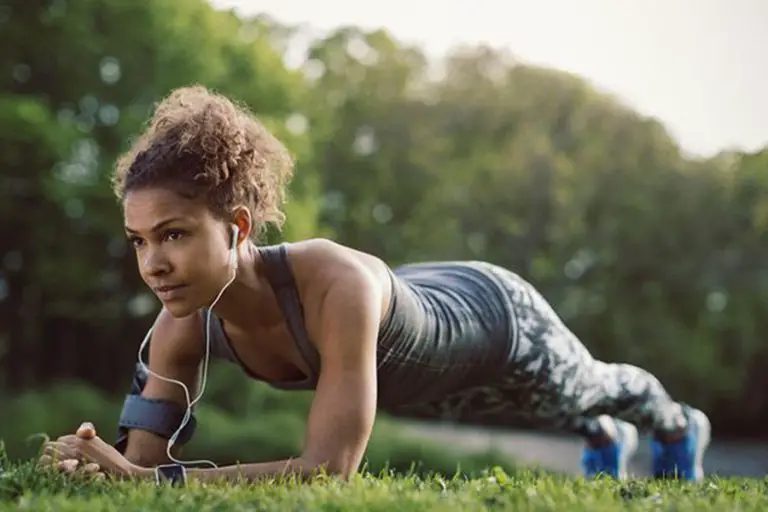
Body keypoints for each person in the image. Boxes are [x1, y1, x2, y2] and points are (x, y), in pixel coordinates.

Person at [37, 85, 710, 486]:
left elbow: (330, 468)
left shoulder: (335, 285)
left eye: (174, 234)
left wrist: (154, 482)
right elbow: (141, 461)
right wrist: (89, 458)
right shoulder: (179, 323)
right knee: (531, 412)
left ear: (238, 227)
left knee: (585, 387)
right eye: (139, 241)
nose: (152, 263)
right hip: (420, 337)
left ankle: (678, 426)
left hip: (495, 318)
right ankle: (602, 439)